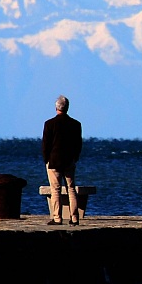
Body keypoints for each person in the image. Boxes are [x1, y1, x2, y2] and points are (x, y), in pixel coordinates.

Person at [42, 95, 83, 225]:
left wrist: (46, 160)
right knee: (71, 189)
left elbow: (45, 145)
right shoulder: (76, 124)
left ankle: (57, 218)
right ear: (67, 107)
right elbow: (78, 144)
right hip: (69, 161)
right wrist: (75, 158)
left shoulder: (49, 124)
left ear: (56, 108)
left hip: (53, 161)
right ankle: (75, 218)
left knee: (56, 190)